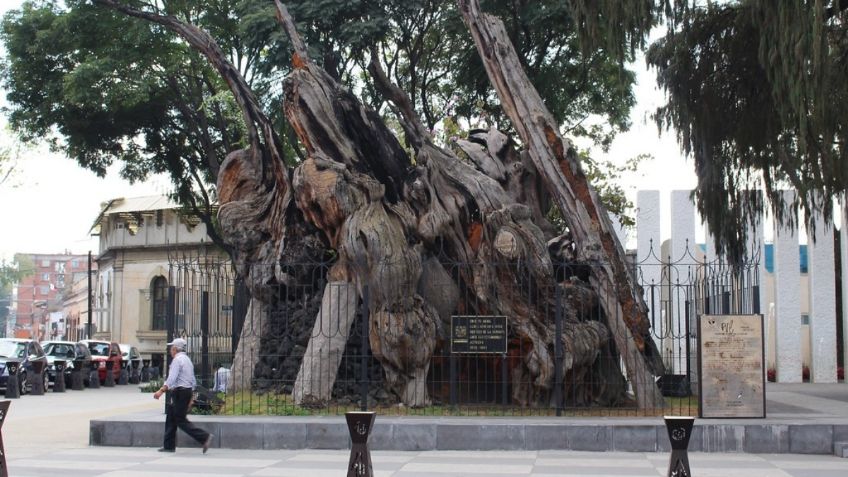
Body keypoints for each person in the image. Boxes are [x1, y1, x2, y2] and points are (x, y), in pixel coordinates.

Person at [153, 338, 212, 453]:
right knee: (171, 416)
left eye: (171, 348)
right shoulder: (187, 360)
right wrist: (191, 398)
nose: (170, 350)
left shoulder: (177, 360)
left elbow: (171, 378)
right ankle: (168, 445)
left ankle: (204, 437)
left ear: (175, 348)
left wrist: (161, 390)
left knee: (180, 420)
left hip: (180, 392)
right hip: (186, 391)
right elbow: (193, 381)